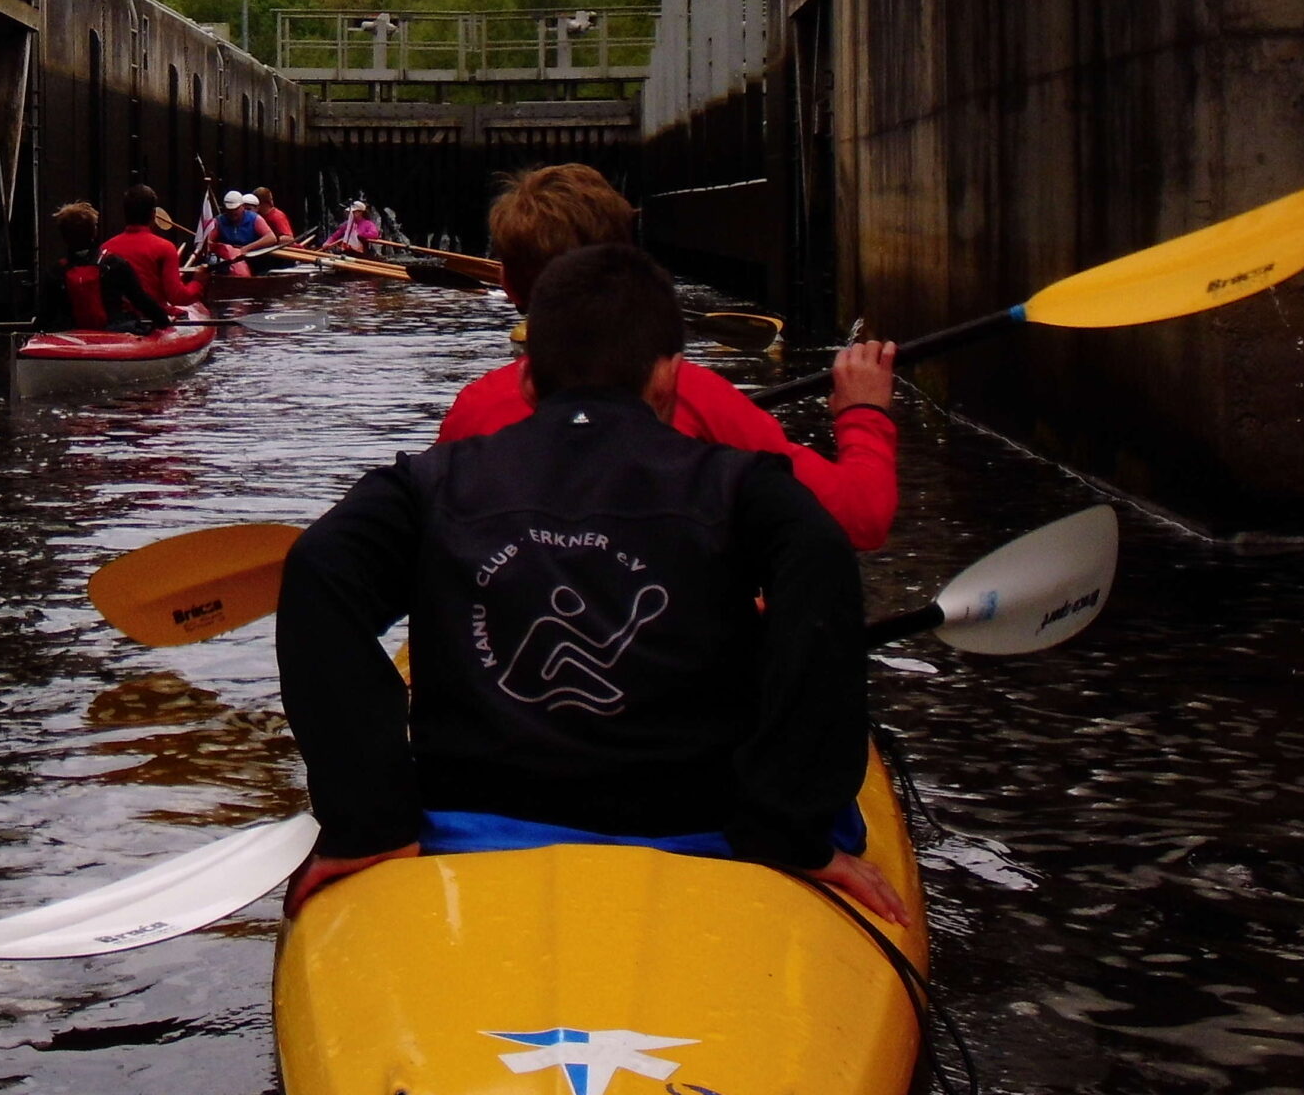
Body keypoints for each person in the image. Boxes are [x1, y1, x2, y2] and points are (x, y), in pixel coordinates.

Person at [276, 244, 904, 925]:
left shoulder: (428, 485)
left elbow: (317, 570)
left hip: (473, 821)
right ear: (668, 378)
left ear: (525, 380)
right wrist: (793, 824)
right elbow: (824, 559)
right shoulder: (742, 486)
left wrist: (368, 816)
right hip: (696, 822)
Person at [439, 164, 897, 551]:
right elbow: (861, 519)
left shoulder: (476, 408)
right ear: (627, 260)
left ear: (509, 285)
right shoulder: (697, 397)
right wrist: (863, 413)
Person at [37, 203, 172, 332]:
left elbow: (45, 314)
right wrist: (165, 321)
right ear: (94, 232)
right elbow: (141, 300)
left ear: (64, 237)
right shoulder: (115, 264)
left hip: (72, 333)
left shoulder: (55, 272)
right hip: (113, 332)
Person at [100, 185, 203, 312]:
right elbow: (177, 297)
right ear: (154, 214)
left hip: (117, 321)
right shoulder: (165, 248)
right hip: (151, 322)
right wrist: (198, 282)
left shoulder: (105, 248)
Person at [209, 189, 277, 275]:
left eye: (235, 209)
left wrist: (246, 248)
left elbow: (271, 238)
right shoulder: (218, 221)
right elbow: (208, 242)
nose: (232, 212)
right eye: (229, 210)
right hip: (227, 262)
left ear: (242, 207)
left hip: (253, 260)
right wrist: (224, 249)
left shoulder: (254, 218)